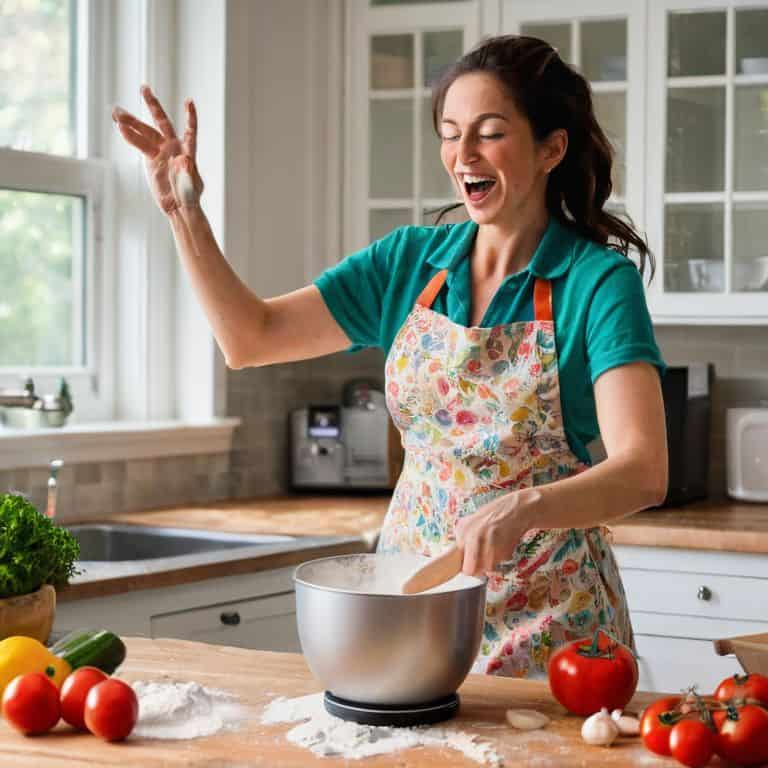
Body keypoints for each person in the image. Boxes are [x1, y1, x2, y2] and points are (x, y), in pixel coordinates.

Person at [112, 34, 668, 678]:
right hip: (415, 603)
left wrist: (528, 507)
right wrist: (185, 212)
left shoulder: (597, 283)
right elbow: (250, 338)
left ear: (551, 148)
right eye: (451, 133)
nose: (463, 155)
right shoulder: (408, 261)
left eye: (489, 133)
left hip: (552, 622)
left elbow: (643, 470)